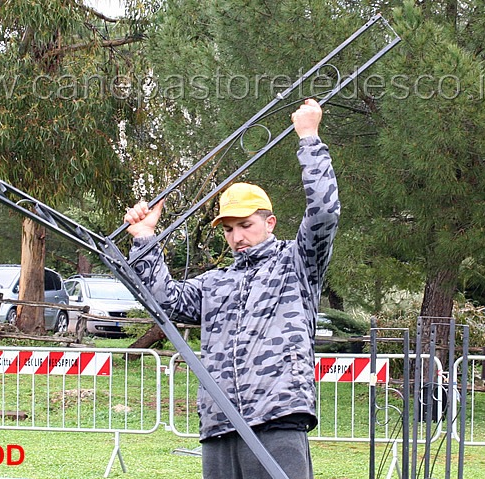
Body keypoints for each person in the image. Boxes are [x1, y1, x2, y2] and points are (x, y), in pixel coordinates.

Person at [123, 98, 340, 479]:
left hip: (278, 419)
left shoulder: (298, 262)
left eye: (245, 225)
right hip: (219, 425)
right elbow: (164, 302)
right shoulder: (216, 282)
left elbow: (323, 212)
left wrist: (309, 138)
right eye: (228, 229)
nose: (237, 236)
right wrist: (144, 238)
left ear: (270, 222)